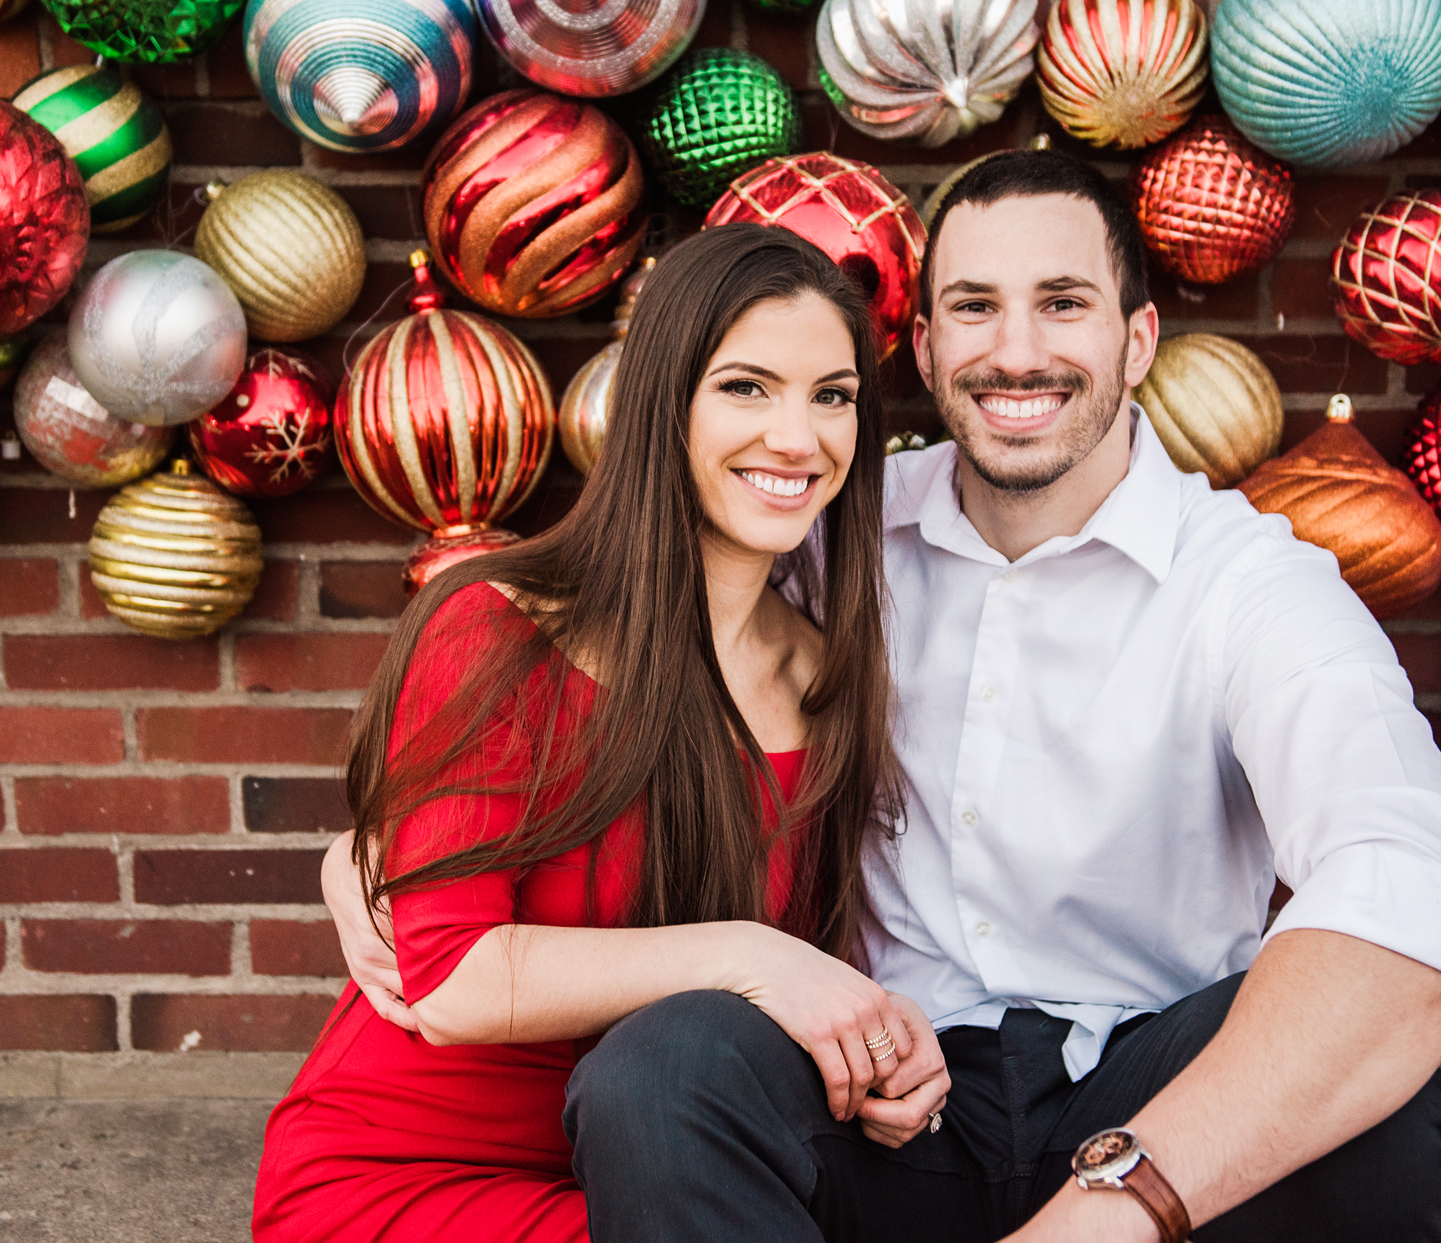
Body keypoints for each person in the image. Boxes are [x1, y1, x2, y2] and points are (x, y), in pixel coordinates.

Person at [324, 150, 1441, 1243]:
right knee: (660, 1070)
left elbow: (1413, 894)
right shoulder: (823, 529)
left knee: (1384, 1108)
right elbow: (595, 647)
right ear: (928, 349)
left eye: (1062, 303)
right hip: (879, 1101)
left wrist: (1115, 1207)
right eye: (972, 308)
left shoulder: (1251, 587)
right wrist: (371, 852)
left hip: (1135, 1098)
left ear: (1138, 338)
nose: (1014, 351)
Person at [252, 223, 950, 1241]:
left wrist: (882, 1052)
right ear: (663, 405)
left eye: (830, 395)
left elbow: (785, 988)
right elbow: (449, 979)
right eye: (746, 387)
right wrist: (752, 955)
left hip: (653, 1160)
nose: (797, 437)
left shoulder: (821, 678)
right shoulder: (495, 623)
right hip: (401, 1174)